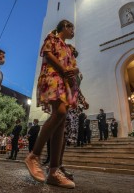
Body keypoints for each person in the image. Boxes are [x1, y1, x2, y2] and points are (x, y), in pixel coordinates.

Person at [24, 20, 79, 189]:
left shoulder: (68, 48)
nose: (73, 31)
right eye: (71, 28)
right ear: (64, 27)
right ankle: (34, 155)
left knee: (60, 125)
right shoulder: (52, 38)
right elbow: (47, 55)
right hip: (53, 77)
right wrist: (64, 70)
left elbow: (74, 68)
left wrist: (73, 72)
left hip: (65, 84)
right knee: (60, 113)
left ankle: (54, 171)